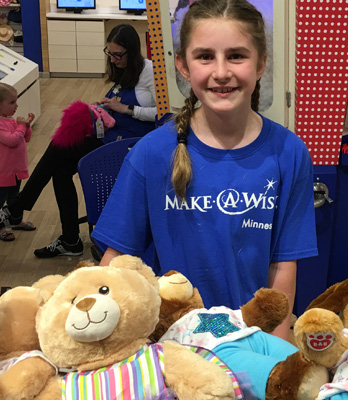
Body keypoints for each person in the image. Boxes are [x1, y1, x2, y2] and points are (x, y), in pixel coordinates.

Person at [92, 0, 317, 341]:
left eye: (237, 55)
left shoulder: (289, 152)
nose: (221, 71)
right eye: (205, 56)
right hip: (172, 344)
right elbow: (116, 258)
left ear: (261, 64)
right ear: (182, 64)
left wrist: (276, 352)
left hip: (252, 340)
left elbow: (283, 266)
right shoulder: (152, 153)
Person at [0, 24, 157, 257]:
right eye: (110, 53)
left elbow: (162, 113)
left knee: (59, 148)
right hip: (113, 133)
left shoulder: (151, 71)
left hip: (132, 143)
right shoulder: (123, 70)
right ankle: (69, 240)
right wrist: (104, 105)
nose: (113, 60)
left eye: (118, 55)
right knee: (61, 169)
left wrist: (126, 109)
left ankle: (17, 208)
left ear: (132, 51)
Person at [0, 83, 35, 242]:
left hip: (16, 170)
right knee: (1, 200)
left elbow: (25, 138)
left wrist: (26, 127)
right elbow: (12, 140)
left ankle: (15, 220)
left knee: (16, 198)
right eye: (12, 102)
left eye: (16, 101)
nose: (16, 105)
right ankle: (1, 226)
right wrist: (21, 127)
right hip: (3, 172)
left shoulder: (11, 120)